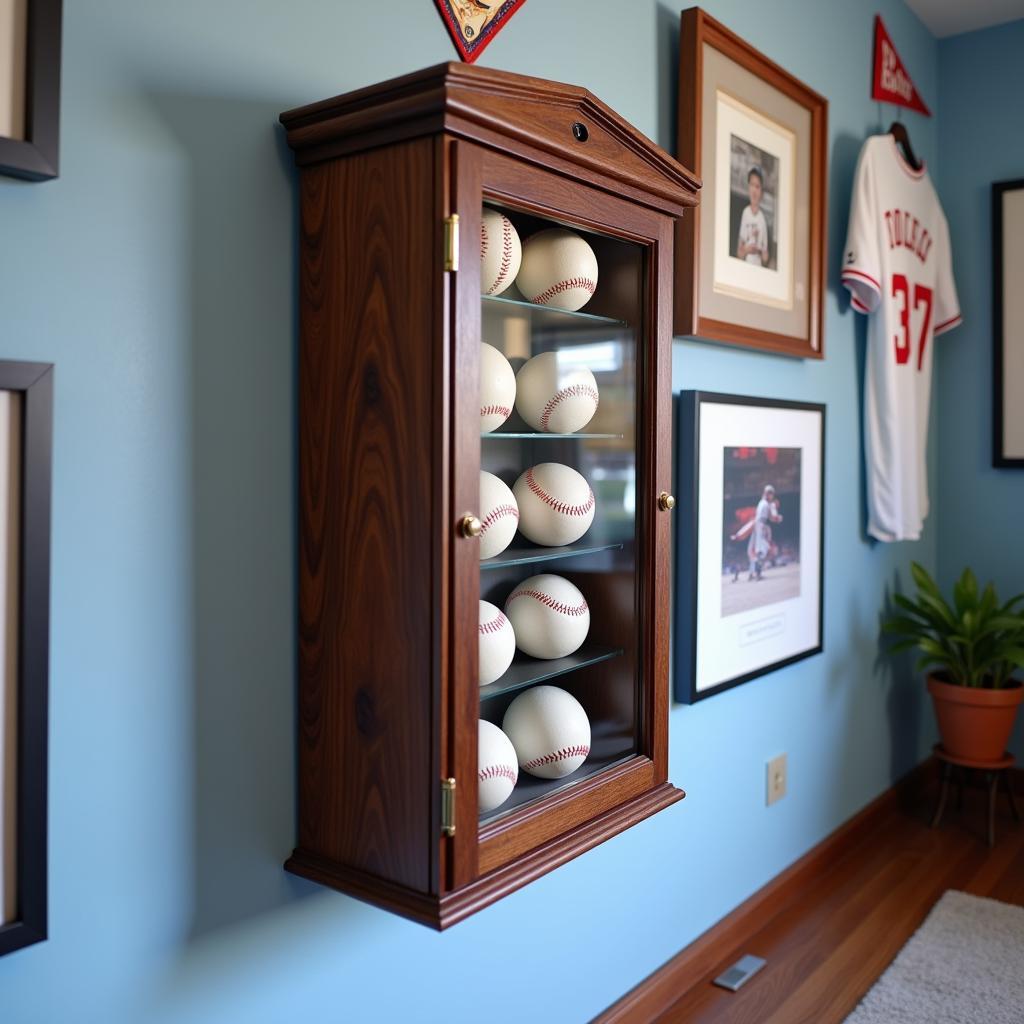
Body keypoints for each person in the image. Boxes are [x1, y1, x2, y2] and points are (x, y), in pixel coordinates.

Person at [730, 485, 783, 581]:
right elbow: (772, 518)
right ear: (766, 493)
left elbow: (769, 517)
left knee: (753, 551)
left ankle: (752, 574)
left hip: (758, 525)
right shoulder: (766, 503)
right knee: (761, 550)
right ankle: (756, 574)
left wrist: (739, 535)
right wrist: (778, 518)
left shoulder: (763, 503)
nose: (770, 495)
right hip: (760, 526)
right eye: (769, 493)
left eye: (771, 493)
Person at [736, 165, 770, 266]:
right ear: (748, 187)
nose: (754, 190)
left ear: (761, 192)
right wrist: (746, 250)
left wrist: (761, 251)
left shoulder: (762, 219)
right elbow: (739, 253)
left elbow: (765, 257)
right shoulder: (744, 213)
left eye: (757, 186)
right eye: (752, 185)